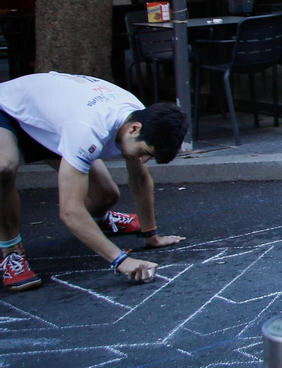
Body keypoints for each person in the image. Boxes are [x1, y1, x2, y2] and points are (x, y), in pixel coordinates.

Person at [0, 74, 187, 291]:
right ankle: (10, 251)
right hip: (7, 107)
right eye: (145, 152)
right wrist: (120, 261)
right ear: (134, 129)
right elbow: (70, 210)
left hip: (51, 120)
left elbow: (140, 179)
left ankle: (99, 221)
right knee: (4, 168)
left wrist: (151, 235)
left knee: (107, 195)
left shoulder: (138, 114)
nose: (143, 160)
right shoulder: (87, 130)